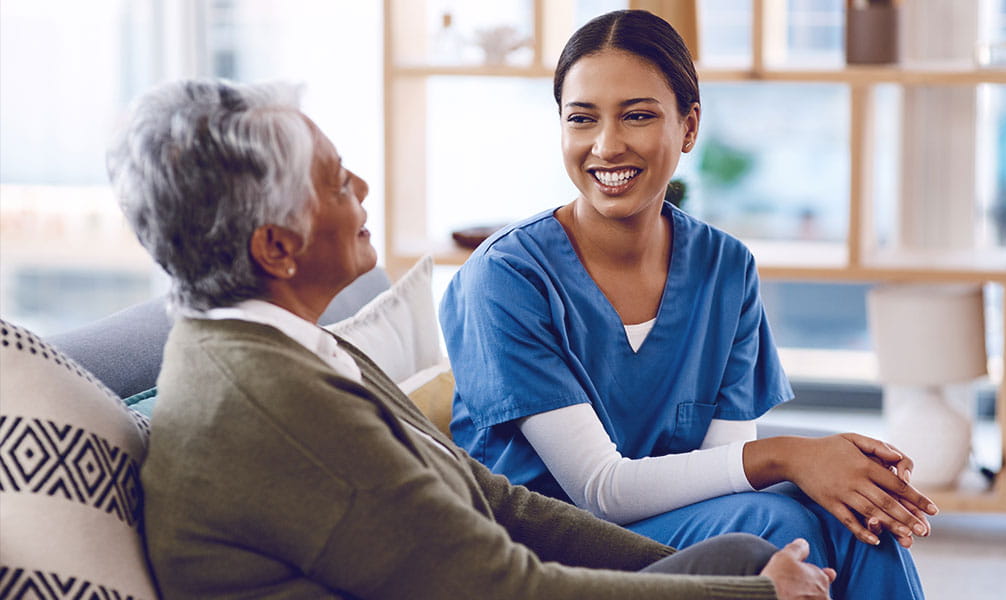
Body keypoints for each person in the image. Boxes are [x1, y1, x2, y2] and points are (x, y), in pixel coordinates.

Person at [108, 77, 836, 599]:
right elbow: (496, 586)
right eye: (334, 183)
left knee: (742, 553)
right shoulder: (272, 405)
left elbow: (498, 501)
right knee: (754, 569)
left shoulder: (293, 347)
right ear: (276, 249)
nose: (362, 186)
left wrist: (717, 572)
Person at [439, 9, 937, 600]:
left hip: (669, 527)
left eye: (638, 115)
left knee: (859, 520)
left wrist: (838, 477)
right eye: (582, 119)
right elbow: (600, 488)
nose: (606, 145)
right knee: (778, 524)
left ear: (689, 126)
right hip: (548, 550)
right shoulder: (506, 277)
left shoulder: (724, 269)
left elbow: (725, 471)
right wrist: (791, 457)